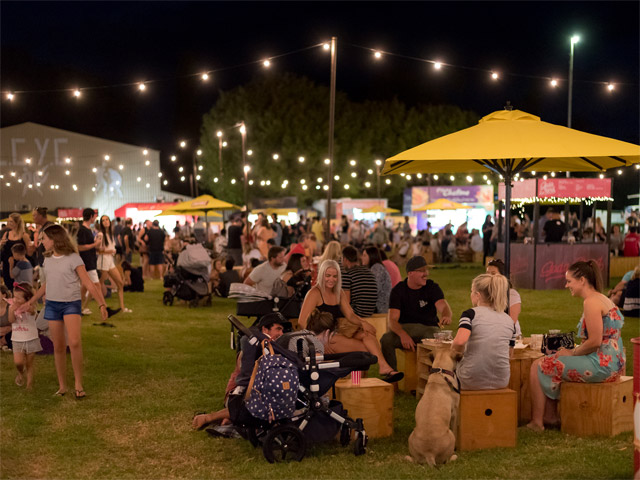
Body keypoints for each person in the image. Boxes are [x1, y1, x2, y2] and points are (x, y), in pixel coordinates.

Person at [527, 260, 626, 431]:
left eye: (569, 281)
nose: (566, 285)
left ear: (582, 280)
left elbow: (594, 342)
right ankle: (550, 417)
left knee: (540, 365)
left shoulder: (591, 302)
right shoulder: (602, 299)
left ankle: (537, 422)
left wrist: (572, 352)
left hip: (601, 365)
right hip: (615, 364)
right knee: (554, 361)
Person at [18, 224, 108, 399]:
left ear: (54, 239)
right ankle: (62, 387)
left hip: (71, 304)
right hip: (52, 305)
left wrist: (101, 304)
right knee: (58, 346)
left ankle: (78, 384)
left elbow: (88, 283)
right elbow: (47, 284)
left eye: (44, 238)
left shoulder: (74, 258)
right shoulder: (48, 260)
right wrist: (31, 301)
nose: (41, 241)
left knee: (74, 342)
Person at [297, 259, 402, 382]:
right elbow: (302, 321)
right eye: (328, 275)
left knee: (367, 334)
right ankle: (355, 382)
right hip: (325, 337)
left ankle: (384, 367)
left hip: (339, 330)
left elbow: (350, 315)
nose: (331, 279)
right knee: (363, 350)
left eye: (335, 276)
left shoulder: (339, 292)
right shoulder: (314, 293)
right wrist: (318, 343)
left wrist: (364, 323)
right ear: (322, 275)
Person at [191, 314, 285, 434]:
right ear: (265, 330)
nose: (281, 333)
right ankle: (209, 417)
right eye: (278, 329)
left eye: (282, 330)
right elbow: (246, 383)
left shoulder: (270, 347)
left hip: (250, 392)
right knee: (254, 402)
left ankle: (228, 420)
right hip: (237, 393)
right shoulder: (251, 348)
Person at [380, 256, 453, 371]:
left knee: (433, 336)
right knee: (386, 339)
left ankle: (434, 376)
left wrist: (446, 315)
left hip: (429, 328)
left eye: (427, 270)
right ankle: (392, 377)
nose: (426, 274)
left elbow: (443, 305)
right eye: (422, 271)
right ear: (410, 273)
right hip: (406, 328)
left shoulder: (431, 287)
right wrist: (402, 334)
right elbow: (392, 320)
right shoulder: (399, 290)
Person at [452, 274, 515, 390]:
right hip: (501, 380)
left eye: (471, 291)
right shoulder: (509, 320)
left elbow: (460, 342)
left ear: (477, 295)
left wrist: (456, 356)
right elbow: (510, 354)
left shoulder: (470, 314)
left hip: (470, 379)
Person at [8, 282, 42, 390]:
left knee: (29, 363)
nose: (15, 299)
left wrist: (27, 307)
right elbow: (11, 320)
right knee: (18, 362)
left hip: (31, 338)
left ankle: (29, 385)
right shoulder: (11, 307)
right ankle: (20, 372)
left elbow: (33, 313)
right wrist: (11, 311)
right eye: (14, 297)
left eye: (19, 298)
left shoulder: (30, 307)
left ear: (27, 298)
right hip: (17, 339)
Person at [97, 215, 130, 313]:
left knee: (120, 283)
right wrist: (110, 251)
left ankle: (122, 308)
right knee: (98, 285)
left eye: (107, 219)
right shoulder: (101, 234)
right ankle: (98, 306)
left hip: (110, 261)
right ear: (101, 223)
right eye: (103, 220)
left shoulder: (111, 234)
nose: (106, 222)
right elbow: (98, 251)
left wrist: (111, 251)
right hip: (103, 261)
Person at [77, 208, 103, 316]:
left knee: (84, 288)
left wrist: (96, 245)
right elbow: (80, 247)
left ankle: (80, 308)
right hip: (87, 262)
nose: (95, 218)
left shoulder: (88, 230)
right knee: (96, 286)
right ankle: (104, 307)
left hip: (90, 260)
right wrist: (95, 244)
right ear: (91, 216)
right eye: (95, 216)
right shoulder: (82, 230)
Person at [486, 259, 522, 337]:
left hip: (509, 336)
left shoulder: (511, 295)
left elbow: (512, 321)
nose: (489, 277)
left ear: (503, 276)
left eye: (493, 273)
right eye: (487, 273)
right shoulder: (484, 294)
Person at [341, 246, 377, 318]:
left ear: (345, 259)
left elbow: (346, 301)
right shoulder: (368, 271)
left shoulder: (347, 274)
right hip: (370, 312)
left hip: (356, 314)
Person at [0, 213, 33, 292]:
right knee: (8, 287)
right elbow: (2, 249)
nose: (8, 223)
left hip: (20, 265)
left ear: (16, 223)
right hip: (7, 264)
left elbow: (29, 253)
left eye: (11, 221)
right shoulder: (6, 234)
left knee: (20, 288)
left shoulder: (24, 235)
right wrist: (1, 244)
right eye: (8, 221)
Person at [362, 246, 391, 314]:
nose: (362, 258)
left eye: (364, 255)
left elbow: (374, 289)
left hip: (380, 308)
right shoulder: (375, 268)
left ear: (371, 256)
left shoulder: (377, 268)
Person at [0, 285, 12, 351]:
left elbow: (15, 325)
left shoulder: (10, 307)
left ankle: (3, 343)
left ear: (4, 295)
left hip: (8, 333)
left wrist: (7, 329)